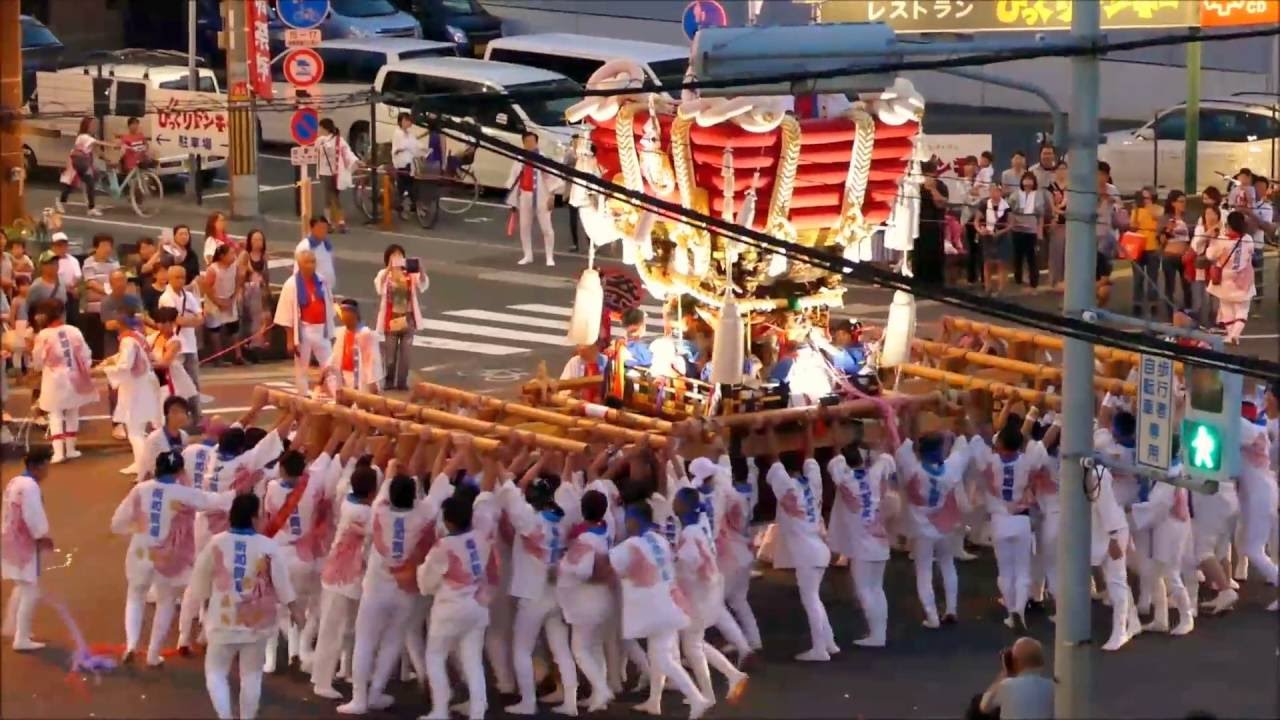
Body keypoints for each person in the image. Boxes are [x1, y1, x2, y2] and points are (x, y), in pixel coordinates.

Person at [338, 450, 453, 716]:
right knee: (393, 640)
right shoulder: (423, 514)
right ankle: (376, 693)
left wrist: (394, 463)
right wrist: (445, 449)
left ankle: (359, 698)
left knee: (365, 641)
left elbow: (388, 482)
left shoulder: (379, 510)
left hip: (376, 588)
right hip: (406, 589)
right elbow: (439, 484)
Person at [110, 449, 232, 666]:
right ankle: (152, 654)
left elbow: (117, 523)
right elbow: (211, 501)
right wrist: (236, 491)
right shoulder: (183, 493)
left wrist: (137, 530)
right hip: (171, 558)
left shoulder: (140, 490)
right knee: (166, 602)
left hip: (141, 552)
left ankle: (131, 644)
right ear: (179, 471)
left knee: (135, 596)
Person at [190, 493, 303, 720]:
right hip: (258, 625)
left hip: (222, 622)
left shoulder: (217, 543)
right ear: (253, 518)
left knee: (216, 673)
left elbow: (199, 582)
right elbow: (283, 584)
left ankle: (225, 716)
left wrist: (200, 616)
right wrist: (295, 610)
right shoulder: (268, 546)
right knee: (251, 676)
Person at [417, 445, 500, 720]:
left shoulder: (444, 546)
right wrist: (490, 460)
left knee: (435, 656)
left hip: (450, 607)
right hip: (478, 605)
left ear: (448, 522)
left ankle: (440, 710)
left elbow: (426, 582)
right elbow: (487, 495)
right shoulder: (483, 528)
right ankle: (478, 711)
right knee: (472, 660)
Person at [607, 501, 711, 719]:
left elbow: (610, 567)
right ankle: (654, 701)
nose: (626, 522)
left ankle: (696, 698)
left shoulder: (630, 546)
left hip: (652, 610)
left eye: (627, 518)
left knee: (663, 659)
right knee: (659, 656)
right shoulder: (660, 540)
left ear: (634, 520)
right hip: (669, 604)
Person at [499, 453, 578, 716]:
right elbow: (567, 486)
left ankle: (528, 702)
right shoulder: (563, 517)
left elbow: (510, 491)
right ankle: (571, 701)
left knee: (522, 649)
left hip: (532, 594)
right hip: (555, 593)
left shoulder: (530, 521)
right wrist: (553, 460)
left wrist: (495, 461)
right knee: (561, 649)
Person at [761, 418, 837, 661]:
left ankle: (820, 649)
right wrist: (808, 429)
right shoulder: (812, 483)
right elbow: (811, 455)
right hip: (818, 547)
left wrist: (769, 428)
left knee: (811, 600)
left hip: (807, 552)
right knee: (814, 598)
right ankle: (829, 642)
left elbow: (774, 458)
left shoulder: (786, 487)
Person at [969, 412, 1050, 634]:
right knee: (1023, 571)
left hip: (999, 521)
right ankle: (1020, 612)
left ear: (1000, 443)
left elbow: (975, 438)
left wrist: (969, 413)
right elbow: (1042, 450)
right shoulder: (1027, 462)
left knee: (1005, 572)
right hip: (1022, 519)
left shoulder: (990, 461)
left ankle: (1010, 611)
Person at [669, 485, 750, 707]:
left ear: (683, 506)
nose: (672, 504)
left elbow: (689, 562)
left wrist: (672, 563)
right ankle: (729, 677)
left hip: (698, 594)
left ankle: (710, 693)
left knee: (692, 646)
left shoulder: (688, 533)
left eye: (676, 501)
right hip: (707, 590)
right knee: (696, 643)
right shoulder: (697, 527)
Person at [897, 409, 972, 628]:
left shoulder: (914, 469)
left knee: (924, 571)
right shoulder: (950, 469)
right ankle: (951, 609)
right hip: (945, 525)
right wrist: (958, 419)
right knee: (948, 564)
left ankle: (931, 616)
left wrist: (907, 414)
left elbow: (903, 443)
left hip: (921, 529)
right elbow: (963, 444)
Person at [310, 465, 377, 700]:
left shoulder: (349, 502)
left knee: (343, 629)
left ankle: (340, 672)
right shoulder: (364, 514)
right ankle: (322, 680)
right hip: (344, 577)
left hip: (342, 576)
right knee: (333, 629)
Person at [827, 435, 896, 647]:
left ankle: (876, 635)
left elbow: (836, 459)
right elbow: (886, 456)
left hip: (862, 546)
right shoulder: (875, 475)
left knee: (864, 590)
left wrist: (835, 427)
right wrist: (886, 427)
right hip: (881, 540)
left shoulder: (845, 479)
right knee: (877, 588)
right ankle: (879, 633)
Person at [557, 488, 616, 713]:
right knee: (595, 646)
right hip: (604, 599)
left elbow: (583, 571)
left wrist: (563, 567)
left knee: (580, 649)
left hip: (586, 601)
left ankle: (601, 689)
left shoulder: (584, 539)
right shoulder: (606, 532)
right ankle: (597, 696)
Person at [1130, 439, 1195, 636]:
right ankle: (1161, 619)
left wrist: (1131, 509)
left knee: (1170, 573)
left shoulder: (1170, 475)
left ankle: (1187, 617)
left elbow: (1157, 506)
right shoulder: (1174, 469)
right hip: (1166, 526)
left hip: (1170, 526)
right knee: (1154, 571)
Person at [98, 298, 162, 475]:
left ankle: (143, 467)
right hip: (143, 383)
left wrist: (106, 369)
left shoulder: (127, 341)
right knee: (138, 428)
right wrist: (111, 359)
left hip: (135, 386)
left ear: (120, 322)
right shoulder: (138, 336)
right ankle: (140, 462)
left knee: (134, 430)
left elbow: (125, 365)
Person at [1, 446, 55, 651]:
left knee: (22, 586)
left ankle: (14, 627)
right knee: (30, 591)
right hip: (22, 545)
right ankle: (21, 638)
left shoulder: (15, 481)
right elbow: (33, 516)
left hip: (10, 540)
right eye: (46, 466)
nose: (47, 471)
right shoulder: (30, 487)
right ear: (37, 466)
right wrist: (43, 537)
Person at [31, 298, 97, 463]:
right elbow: (85, 354)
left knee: (55, 413)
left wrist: (38, 368)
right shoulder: (73, 330)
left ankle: (58, 452)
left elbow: (38, 360)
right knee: (73, 410)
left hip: (53, 377)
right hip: (75, 375)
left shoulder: (43, 335)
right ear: (62, 313)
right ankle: (71, 448)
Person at [275, 249, 335, 394]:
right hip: (303, 331)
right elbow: (286, 313)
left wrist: (331, 331)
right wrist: (290, 339)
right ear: (300, 264)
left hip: (321, 330)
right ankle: (302, 397)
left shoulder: (321, 281)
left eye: (313, 261)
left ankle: (336, 394)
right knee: (302, 369)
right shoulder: (291, 284)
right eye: (308, 262)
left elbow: (328, 304)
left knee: (330, 366)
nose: (311, 265)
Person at [373, 244, 427, 391]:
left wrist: (420, 269)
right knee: (390, 355)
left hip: (408, 318)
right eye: (393, 255)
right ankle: (389, 381)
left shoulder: (409, 273)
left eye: (399, 255)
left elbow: (422, 285)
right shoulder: (384, 274)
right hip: (391, 318)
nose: (397, 258)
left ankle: (402, 383)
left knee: (406, 355)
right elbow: (379, 287)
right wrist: (389, 269)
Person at [505, 131, 565, 267]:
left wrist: (552, 196)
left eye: (532, 141)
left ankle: (549, 257)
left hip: (542, 196)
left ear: (536, 142)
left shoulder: (543, 159)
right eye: (527, 142)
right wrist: (514, 199)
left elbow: (553, 179)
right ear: (523, 143)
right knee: (524, 227)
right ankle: (527, 255)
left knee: (547, 228)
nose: (530, 144)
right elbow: (514, 178)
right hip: (525, 195)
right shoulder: (520, 158)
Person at [158, 265, 204, 424]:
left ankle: (197, 417)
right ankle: (176, 417)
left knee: (193, 383)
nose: (180, 280)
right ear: (169, 279)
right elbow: (176, 320)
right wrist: (192, 320)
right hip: (174, 345)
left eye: (183, 277)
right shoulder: (166, 298)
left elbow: (200, 317)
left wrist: (189, 320)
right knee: (177, 385)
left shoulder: (189, 296)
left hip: (190, 344)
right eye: (177, 277)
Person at [1206, 210, 1256, 344]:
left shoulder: (1222, 241)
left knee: (1226, 307)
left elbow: (1210, 255)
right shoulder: (1248, 239)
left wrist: (1213, 239)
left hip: (1225, 278)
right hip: (1244, 277)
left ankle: (1231, 335)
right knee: (1242, 309)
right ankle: (1235, 334)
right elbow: (1251, 252)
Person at [977, 637, 1054, 720]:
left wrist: (1006, 672)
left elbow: (984, 707)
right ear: (1041, 661)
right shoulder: (1053, 687)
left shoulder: (1007, 685)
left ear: (1015, 662)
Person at [325, 299, 383, 396]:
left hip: (360, 379)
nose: (343, 316)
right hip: (343, 377)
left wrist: (372, 382)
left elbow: (371, 360)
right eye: (342, 312)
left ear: (354, 314)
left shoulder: (365, 333)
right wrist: (326, 370)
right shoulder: (342, 332)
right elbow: (335, 356)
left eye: (346, 312)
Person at [55, 116, 109, 217]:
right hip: (76, 163)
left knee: (86, 182)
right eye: (92, 125)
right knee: (72, 185)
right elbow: (98, 143)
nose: (94, 127)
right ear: (86, 126)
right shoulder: (83, 137)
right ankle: (62, 202)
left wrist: (106, 159)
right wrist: (113, 145)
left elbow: (97, 150)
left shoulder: (89, 138)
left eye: (95, 125)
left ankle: (90, 207)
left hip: (83, 163)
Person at [202, 244, 244, 366]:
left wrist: (233, 299)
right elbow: (206, 288)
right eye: (231, 254)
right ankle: (218, 358)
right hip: (214, 302)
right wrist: (218, 302)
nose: (233, 256)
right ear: (222, 256)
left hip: (229, 299)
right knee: (215, 330)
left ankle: (238, 355)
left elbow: (238, 282)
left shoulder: (235, 267)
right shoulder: (213, 269)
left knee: (234, 328)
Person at [316, 119, 359, 234]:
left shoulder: (321, 141)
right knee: (334, 197)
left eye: (320, 128)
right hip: (336, 173)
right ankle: (338, 222)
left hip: (326, 173)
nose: (318, 130)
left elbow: (317, 152)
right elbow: (348, 153)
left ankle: (333, 222)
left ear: (324, 128)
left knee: (329, 198)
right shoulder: (339, 140)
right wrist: (356, 162)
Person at [81, 234, 119, 360]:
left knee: (111, 341)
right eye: (103, 245)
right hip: (94, 310)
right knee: (95, 341)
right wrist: (108, 291)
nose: (107, 249)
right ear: (96, 247)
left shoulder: (114, 264)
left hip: (111, 310)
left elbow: (118, 280)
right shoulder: (89, 263)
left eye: (109, 246)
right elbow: (91, 282)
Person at [1128, 187, 1163, 320]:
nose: (1146, 200)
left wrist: (1149, 206)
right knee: (1138, 277)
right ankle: (1137, 303)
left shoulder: (1158, 208)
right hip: (1138, 246)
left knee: (1152, 277)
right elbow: (1132, 225)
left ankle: (1153, 303)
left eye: (1148, 197)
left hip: (1153, 246)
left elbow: (1158, 216)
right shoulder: (1136, 210)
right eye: (1143, 198)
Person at [238, 229, 272, 363]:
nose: (258, 242)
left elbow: (267, 276)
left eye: (260, 239)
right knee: (252, 321)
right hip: (249, 292)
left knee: (265, 319)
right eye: (255, 240)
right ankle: (250, 347)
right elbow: (240, 276)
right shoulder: (245, 255)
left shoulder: (264, 257)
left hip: (262, 292)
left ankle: (260, 346)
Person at [913, 168, 950, 286]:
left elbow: (942, 204)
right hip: (918, 226)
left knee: (935, 256)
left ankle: (936, 284)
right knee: (919, 256)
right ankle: (918, 283)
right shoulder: (916, 185)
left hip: (935, 226)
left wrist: (933, 189)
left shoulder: (940, 185)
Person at [1009, 171, 1045, 291]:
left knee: (1032, 258)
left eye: (1030, 179)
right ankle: (1018, 280)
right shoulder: (1016, 194)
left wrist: (1039, 232)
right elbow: (1010, 209)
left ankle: (1034, 283)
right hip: (1017, 230)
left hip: (1031, 230)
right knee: (1017, 256)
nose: (1028, 182)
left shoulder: (1038, 194)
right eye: (1025, 179)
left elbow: (1041, 215)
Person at [974, 183, 1011, 296]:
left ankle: (1001, 289)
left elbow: (1011, 224)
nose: (994, 193)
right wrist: (980, 230)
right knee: (987, 263)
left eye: (997, 191)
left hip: (1001, 236)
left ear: (1001, 192)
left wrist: (1000, 232)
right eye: (992, 190)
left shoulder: (1006, 206)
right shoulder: (984, 204)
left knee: (1001, 263)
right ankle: (988, 287)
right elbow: (976, 221)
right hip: (987, 235)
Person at [1189, 202, 1222, 327]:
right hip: (1200, 266)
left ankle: (1213, 321)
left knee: (1214, 297)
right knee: (1199, 297)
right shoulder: (1200, 228)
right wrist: (1208, 233)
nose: (1210, 216)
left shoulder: (1222, 230)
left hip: (1215, 267)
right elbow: (1197, 245)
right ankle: (1196, 322)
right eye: (1207, 214)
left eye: (1213, 213)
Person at [1159, 190, 1192, 316]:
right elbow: (1161, 241)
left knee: (1187, 285)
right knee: (1170, 286)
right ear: (1173, 203)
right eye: (1181, 202)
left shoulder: (1188, 217)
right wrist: (1168, 230)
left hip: (1184, 256)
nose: (1183, 204)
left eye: (1185, 202)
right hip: (1170, 256)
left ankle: (1188, 310)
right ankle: (1170, 312)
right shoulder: (1165, 218)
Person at [391, 112, 425, 212]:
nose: (408, 122)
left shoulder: (410, 134)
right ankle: (408, 204)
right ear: (401, 122)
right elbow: (398, 147)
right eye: (405, 120)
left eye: (408, 120)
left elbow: (416, 144)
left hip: (410, 162)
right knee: (408, 184)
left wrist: (424, 150)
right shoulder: (397, 133)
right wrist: (404, 148)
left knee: (409, 184)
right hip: (402, 162)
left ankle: (408, 203)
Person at [20, 252, 66, 324]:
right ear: (42, 266)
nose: (54, 266)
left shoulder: (62, 283)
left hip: (60, 327)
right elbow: (25, 307)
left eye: (56, 263)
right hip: (43, 328)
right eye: (50, 263)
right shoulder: (37, 286)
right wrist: (24, 324)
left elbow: (64, 307)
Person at [295, 216, 337, 292]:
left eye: (325, 228)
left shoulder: (326, 244)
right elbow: (298, 271)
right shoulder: (305, 246)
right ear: (312, 229)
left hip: (328, 289)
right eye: (320, 228)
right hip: (314, 290)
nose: (323, 231)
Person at [49, 232, 82, 326]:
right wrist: (67, 289)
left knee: (73, 320)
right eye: (59, 245)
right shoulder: (50, 261)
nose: (62, 248)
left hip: (71, 294)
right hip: (55, 294)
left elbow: (78, 277)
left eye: (64, 245)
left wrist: (73, 288)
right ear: (53, 246)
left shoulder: (73, 260)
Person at [1046, 162, 1068, 290]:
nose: (1062, 171)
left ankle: (1066, 280)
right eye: (1059, 169)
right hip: (1056, 222)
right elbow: (1051, 206)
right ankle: (1054, 280)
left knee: (1068, 253)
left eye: (1064, 169)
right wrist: (1059, 211)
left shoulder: (1072, 187)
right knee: (1055, 252)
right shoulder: (1051, 187)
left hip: (1070, 223)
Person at [166, 225, 202, 291]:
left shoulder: (192, 254)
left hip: (190, 289)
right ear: (174, 236)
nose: (184, 237)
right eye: (181, 234)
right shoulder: (169, 252)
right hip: (173, 290)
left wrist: (191, 286)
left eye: (186, 234)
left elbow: (197, 274)